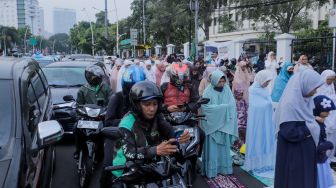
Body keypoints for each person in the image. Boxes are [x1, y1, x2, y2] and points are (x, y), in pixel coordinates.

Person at [110, 81, 191, 180]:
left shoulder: (157, 116)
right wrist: (155, 150)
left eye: (155, 104)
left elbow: (169, 131)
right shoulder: (127, 123)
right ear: (137, 105)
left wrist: (180, 136)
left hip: (150, 163)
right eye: (147, 104)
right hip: (125, 169)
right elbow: (129, 153)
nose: (152, 109)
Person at [274, 69, 324, 188]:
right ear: (305, 85)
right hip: (294, 153)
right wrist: (310, 127)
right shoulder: (290, 104)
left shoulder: (304, 100)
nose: (315, 91)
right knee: (296, 179)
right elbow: (289, 132)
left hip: (303, 151)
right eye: (314, 87)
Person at [101, 65, 146, 187]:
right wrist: (126, 121)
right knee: (107, 167)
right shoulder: (116, 98)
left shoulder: (146, 100)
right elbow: (108, 122)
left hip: (141, 137)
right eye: (131, 88)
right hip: (117, 136)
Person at [201, 69, 238, 178]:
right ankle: (212, 170)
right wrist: (222, 108)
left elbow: (232, 105)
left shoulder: (227, 89)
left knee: (223, 149)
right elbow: (205, 108)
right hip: (212, 126)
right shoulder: (207, 91)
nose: (222, 84)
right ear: (214, 81)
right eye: (219, 81)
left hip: (224, 125)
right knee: (212, 149)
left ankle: (223, 168)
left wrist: (224, 109)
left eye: (223, 81)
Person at [74, 65, 113, 159]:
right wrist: (79, 114)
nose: (95, 78)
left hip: (101, 117)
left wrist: (107, 110)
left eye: (97, 76)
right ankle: (78, 150)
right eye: (92, 76)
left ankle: (102, 154)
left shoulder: (105, 88)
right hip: (86, 118)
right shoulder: (83, 90)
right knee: (76, 128)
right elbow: (78, 105)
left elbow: (111, 101)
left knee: (105, 132)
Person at [243, 70, 276, 175]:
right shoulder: (253, 90)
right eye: (266, 81)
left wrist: (271, 105)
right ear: (261, 79)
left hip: (267, 121)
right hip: (257, 122)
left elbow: (267, 103)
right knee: (257, 140)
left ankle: (265, 162)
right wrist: (268, 105)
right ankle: (256, 164)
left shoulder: (265, 90)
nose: (267, 84)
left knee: (266, 140)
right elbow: (255, 106)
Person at [313, 95, 335, 188]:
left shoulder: (321, 122)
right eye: (326, 111)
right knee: (319, 178)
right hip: (316, 159)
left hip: (322, 157)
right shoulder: (314, 124)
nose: (329, 113)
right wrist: (325, 145)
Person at [316, 70, 336, 162]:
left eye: (332, 79)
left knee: (332, 134)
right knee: (325, 133)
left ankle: (331, 155)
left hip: (332, 115)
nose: (330, 81)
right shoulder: (319, 88)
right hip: (323, 115)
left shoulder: (332, 87)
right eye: (329, 79)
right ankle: (324, 155)